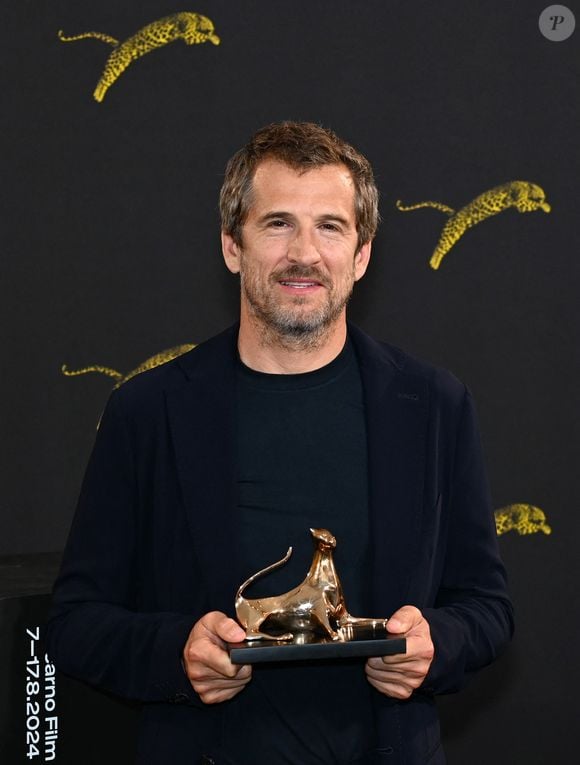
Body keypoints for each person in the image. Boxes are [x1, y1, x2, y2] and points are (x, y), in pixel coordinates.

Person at [46, 121, 514, 765]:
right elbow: (74, 624)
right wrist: (174, 651)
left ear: (362, 254)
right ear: (232, 246)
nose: (304, 253)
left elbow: (487, 607)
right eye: (276, 224)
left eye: (330, 225)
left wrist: (439, 643)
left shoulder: (433, 406)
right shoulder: (147, 411)